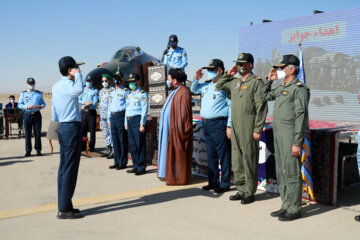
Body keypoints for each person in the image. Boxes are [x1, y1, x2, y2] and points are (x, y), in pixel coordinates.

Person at [261, 54, 310, 221]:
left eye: (283, 68)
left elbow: (301, 116)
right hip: (279, 135)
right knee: (281, 172)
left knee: (292, 172)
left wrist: (297, 142)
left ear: (292, 69)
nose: (280, 70)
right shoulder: (283, 87)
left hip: (290, 136)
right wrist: (269, 80)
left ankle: (295, 208)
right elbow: (263, 96)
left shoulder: (299, 89)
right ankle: (286, 204)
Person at [216, 53, 268, 204]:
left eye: (242, 64)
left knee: (248, 159)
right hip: (236, 125)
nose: (239, 66)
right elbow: (219, 86)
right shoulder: (235, 82)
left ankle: (249, 192)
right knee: (237, 159)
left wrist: (258, 128)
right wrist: (228, 74)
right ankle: (240, 189)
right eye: (238, 64)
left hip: (248, 124)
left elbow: (261, 107)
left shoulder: (256, 82)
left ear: (250, 65)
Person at [190, 59, 232, 193]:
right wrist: (196, 78)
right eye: (208, 70)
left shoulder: (226, 86)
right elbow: (194, 89)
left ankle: (225, 183)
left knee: (223, 155)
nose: (209, 72)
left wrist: (229, 125)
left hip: (219, 123)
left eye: (211, 70)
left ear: (220, 71)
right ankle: (213, 182)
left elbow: (231, 107)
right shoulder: (207, 85)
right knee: (211, 155)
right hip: (206, 124)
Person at [52, 56, 85, 219]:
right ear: (70, 70)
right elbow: (79, 90)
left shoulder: (56, 86)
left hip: (64, 128)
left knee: (64, 168)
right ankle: (64, 209)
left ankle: (65, 204)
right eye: (76, 68)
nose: (79, 71)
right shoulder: (70, 85)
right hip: (71, 128)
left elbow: (54, 111)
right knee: (70, 169)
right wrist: (78, 75)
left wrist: (54, 131)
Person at [158, 68, 193, 185]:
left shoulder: (183, 91)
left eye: (168, 79)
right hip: (168, 129)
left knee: (175, 153)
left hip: (175, 130)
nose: (167, 81)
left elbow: (184, 115)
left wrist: (179, 130)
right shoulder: (174, 91)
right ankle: (164, 173)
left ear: (175, 80)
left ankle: (175, 176)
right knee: (165, 150)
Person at [124, 73, 149, 175]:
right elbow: (127, 109)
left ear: (138, 82)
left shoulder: (142, 94)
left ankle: (141, 167)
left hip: (137, 120)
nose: (131, 84)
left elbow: (144, 110)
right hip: (129, 120)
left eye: (133, 82)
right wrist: (125, 122)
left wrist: (142, 124)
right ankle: (135, 165)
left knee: (140, 144)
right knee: (132, 145)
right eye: (129, 82)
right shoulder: (129, 94)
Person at [18, 77, 46, 157]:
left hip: (36, 114)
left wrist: (39, 106)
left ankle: (38, 150)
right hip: (27, 115)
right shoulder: (23, 94)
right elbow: (20, 104)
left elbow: (43, 104)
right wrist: (26, 107)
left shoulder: (38, 93)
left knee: (37, 133)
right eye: (30, 84)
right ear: (27, 84)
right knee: (27, 134)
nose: (31, 85)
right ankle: (28, 151)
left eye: (33, 83)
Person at [107, 71, 129, 170]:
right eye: (115, 77)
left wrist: (125, 121)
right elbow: (109, 106)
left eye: (119, 77)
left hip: (121, 116)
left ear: (122, 79)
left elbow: (128, 107)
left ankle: (123, 162)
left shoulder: (125, 91)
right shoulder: (111, 92)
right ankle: (116, 161)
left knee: (122, 140)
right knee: (114, 141)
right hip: (113, 116)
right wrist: (108, 118)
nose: (117, 79)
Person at [79, 76, 99, 152]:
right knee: (83, 130)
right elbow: (79, 99)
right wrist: (84, 103)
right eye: (87, 81)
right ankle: (83, 146)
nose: (88, 83)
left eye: (90, 81)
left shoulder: (95, 91)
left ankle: (92, 147)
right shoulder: (82, 90)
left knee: (92, 131)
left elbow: (95, 101)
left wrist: (89, 104)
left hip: (91, 112)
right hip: (83, 112)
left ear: (92, 82)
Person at [99, 73, 115, 158]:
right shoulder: (101, 91)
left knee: (111, 132)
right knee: (105, 133)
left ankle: (113, 149)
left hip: (109, 116)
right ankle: (108, 148)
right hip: (102, 115)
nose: (104, 82)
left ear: (109, 81)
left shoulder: (113, 90)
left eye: (105, 81)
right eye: (103, 81)